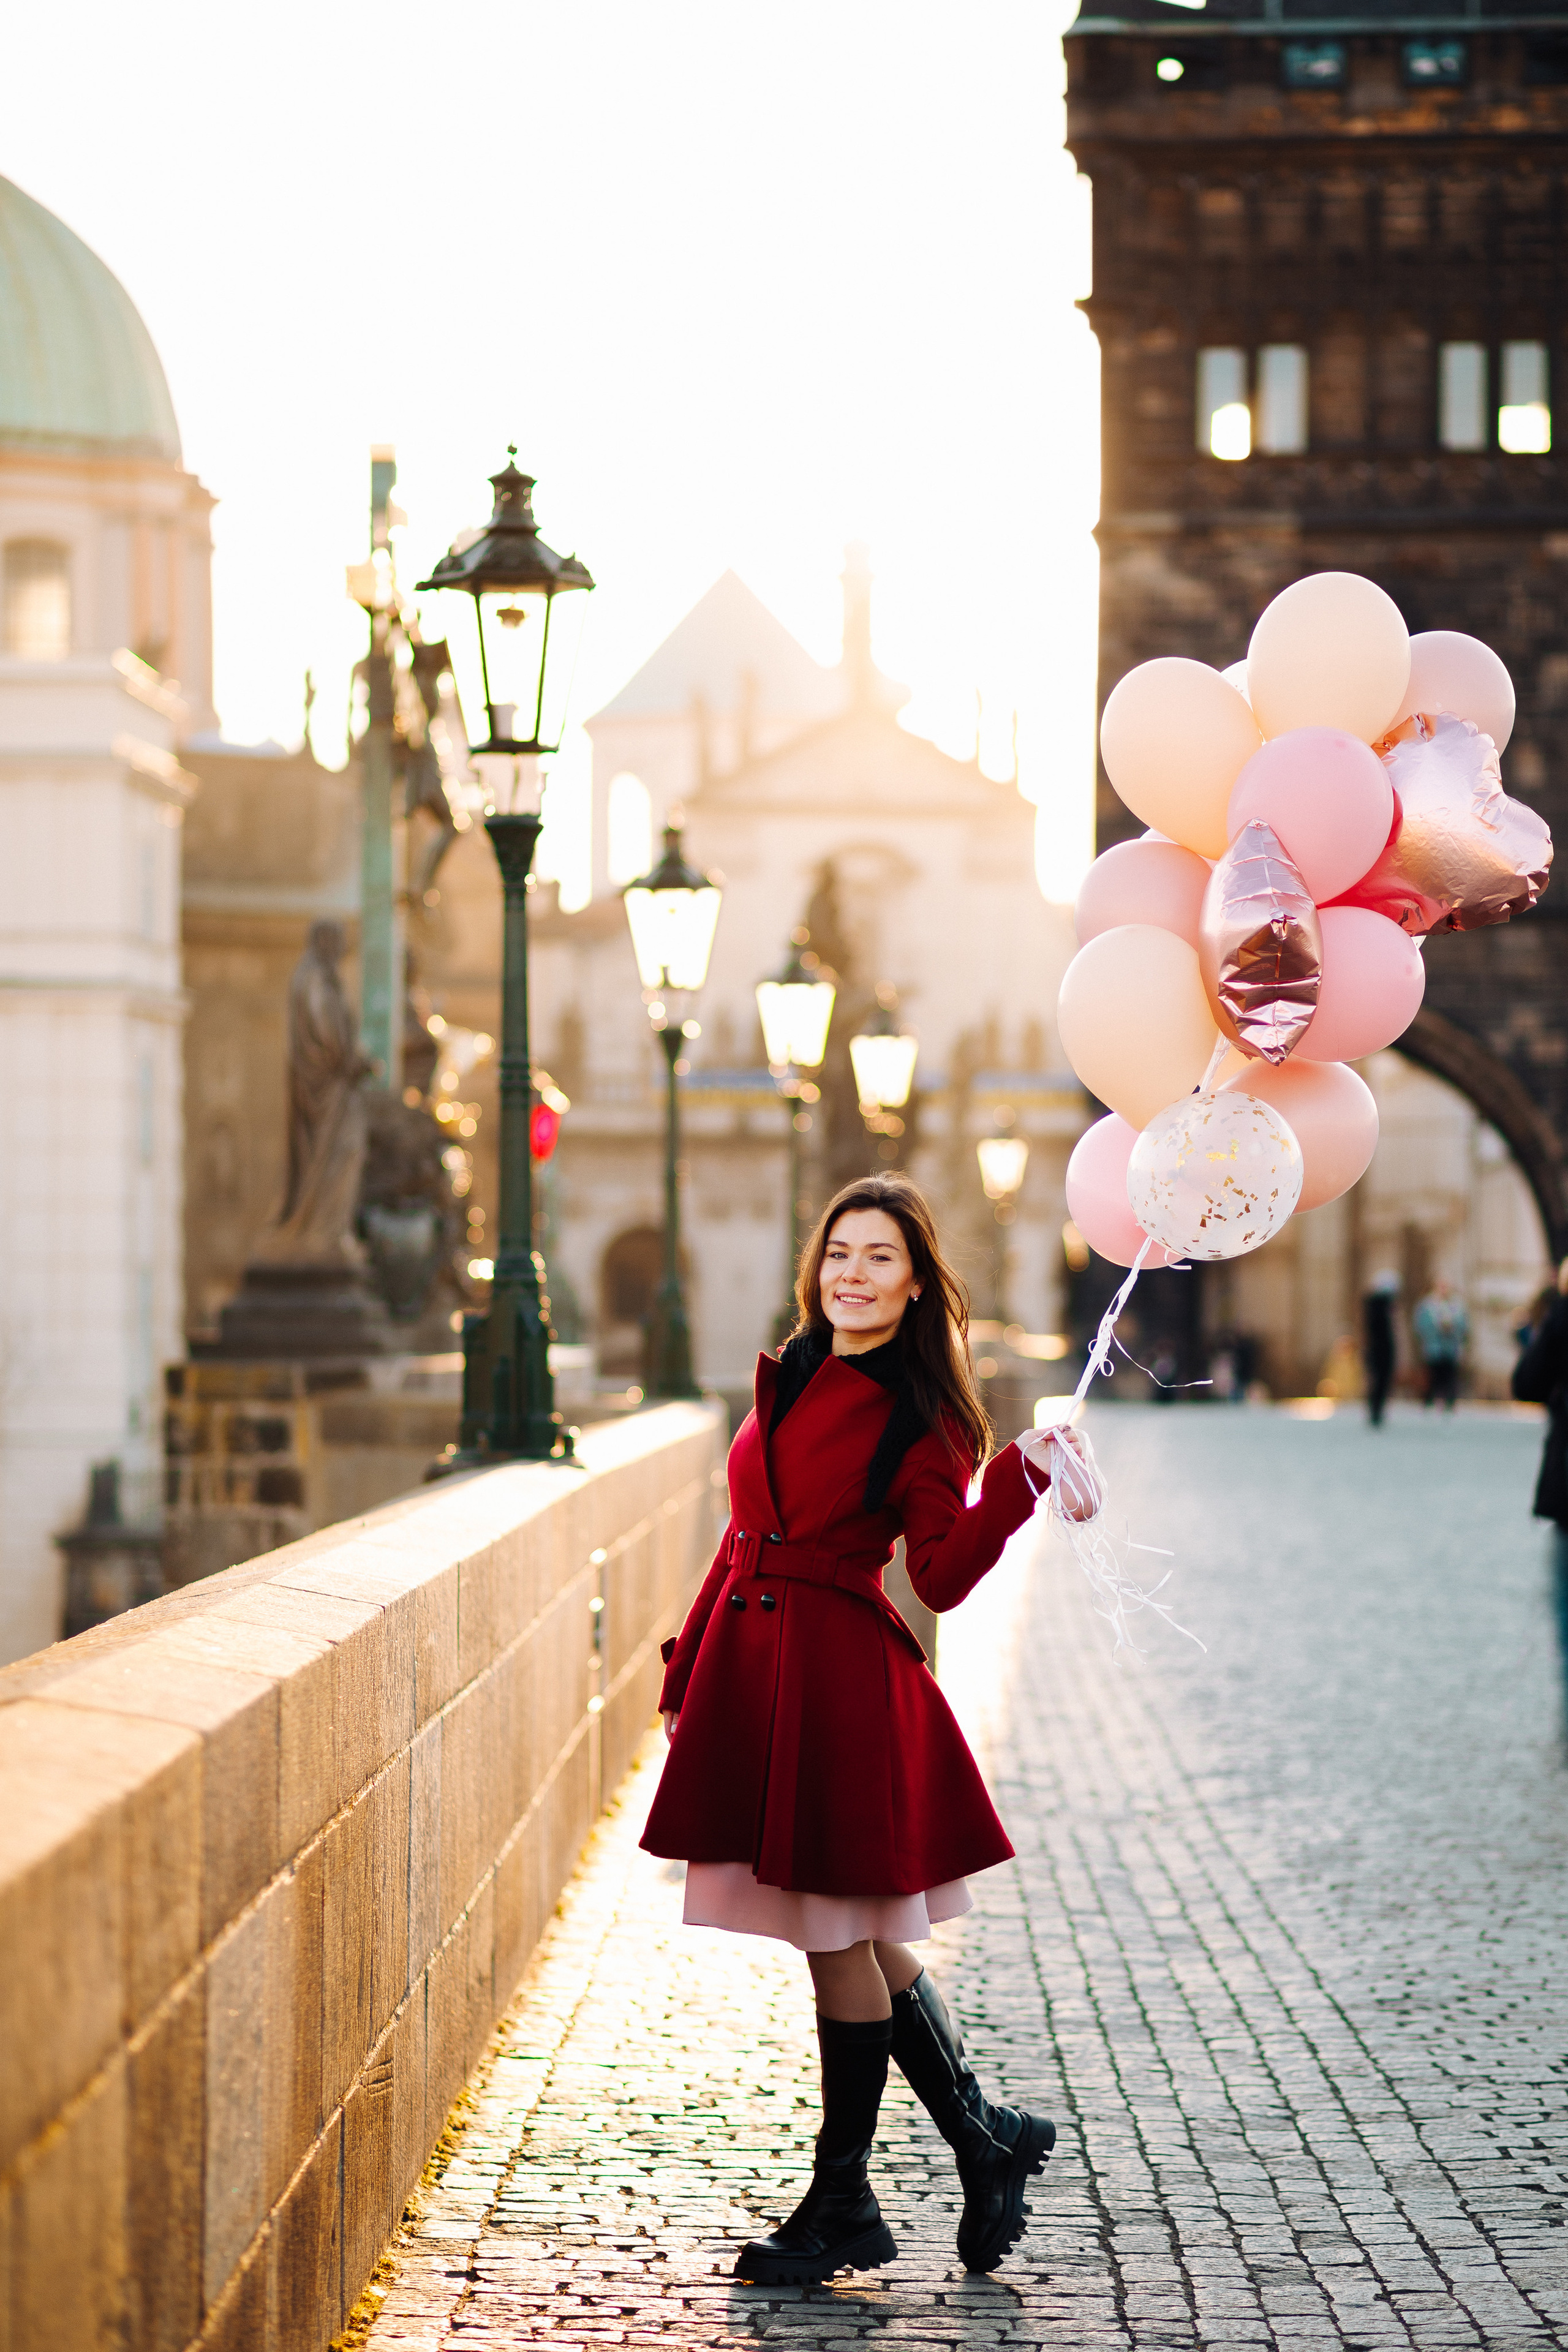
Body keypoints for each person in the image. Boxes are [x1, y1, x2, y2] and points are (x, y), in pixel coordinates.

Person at [641, 1172, 1099, 2288]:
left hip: (838, 1688)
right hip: (759, 1672)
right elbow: (741, 1534)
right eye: (839, 1251)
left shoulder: (920, 1413)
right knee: (861, 1934)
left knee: (834, 1937)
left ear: (915, 1283)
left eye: (879, 1257)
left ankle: (844, 2203)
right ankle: (984, 2139)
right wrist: (690, 1668)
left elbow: (937, 1577)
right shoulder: (794, 1370)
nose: (852, 1272)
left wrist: (1015, 1481)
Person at [1412, 1278, 1469, 1409]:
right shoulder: (1427, 1305)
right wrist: (1436, 1329)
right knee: (1433, 1375)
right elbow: (1420, 1326)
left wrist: (1452, 1328)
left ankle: (1449, 1401)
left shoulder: (1457, 1305)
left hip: (1451, 1347)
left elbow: (1464, 1326)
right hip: (1434, 1347)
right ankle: (1429, 1400)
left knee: (1450, 1376)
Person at [1362, 1272, 1400, 1427]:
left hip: (1376, 1349)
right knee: (1380, 1382)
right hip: (1380, 1350)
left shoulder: (1375, 1305)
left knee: (1379, 1382)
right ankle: (1376, 1412)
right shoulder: (1379, 1306)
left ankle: (1376, 1411)